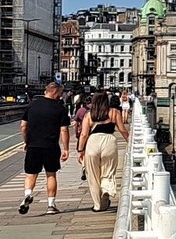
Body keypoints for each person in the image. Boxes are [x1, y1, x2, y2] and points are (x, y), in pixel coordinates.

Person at [18, 82, 70, 215]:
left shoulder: (32, 105)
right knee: (51, 174)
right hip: (51, 147)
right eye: (59, 93)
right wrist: (66, 149)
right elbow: (64, 130)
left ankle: (28, 194)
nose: (60, 96)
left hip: (33, 146)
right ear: (54, 92)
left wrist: (26, 141)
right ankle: (51, 206)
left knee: (31, 174)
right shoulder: (60, 109)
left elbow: (23, 126)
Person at [77, 92, 129, 212]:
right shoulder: (114, 112)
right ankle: (106, 189)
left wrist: (80, 150)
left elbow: (84, 134)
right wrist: (129, 141)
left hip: (92, 143)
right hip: (109, 141)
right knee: (109, 170)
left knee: (93, 175)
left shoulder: (89, 115)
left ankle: (97, 205)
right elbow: (123, 130)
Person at [73, 95, 92, 180]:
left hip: (82, 133)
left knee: (81, 152)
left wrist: (76, 133)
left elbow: (75, 123)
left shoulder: (80, 110)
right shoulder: (95, 110)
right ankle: (89, 166)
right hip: (92, 134)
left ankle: (84, 165)